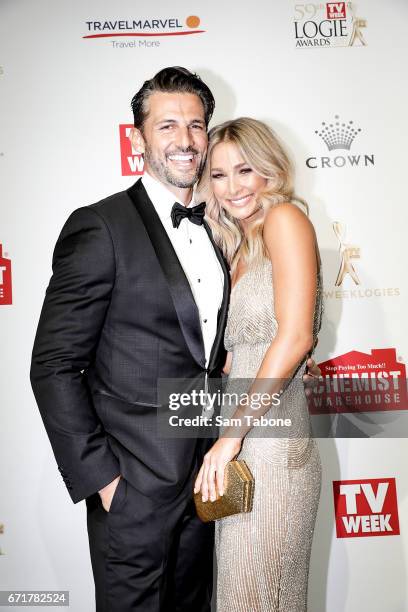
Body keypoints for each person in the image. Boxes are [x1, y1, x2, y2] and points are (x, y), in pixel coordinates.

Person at [30, 68, 320, 612]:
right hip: (136, 489)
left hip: (214, 486)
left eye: (195, 126)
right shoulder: (101, 227)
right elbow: (53, 365)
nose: (184, 140)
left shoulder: (224, 232)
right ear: (138, 138)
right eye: (167, 125)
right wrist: (106, 482)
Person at [194, 117, 323, 612]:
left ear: (269, 168)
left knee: (259, 598)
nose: (232, 188)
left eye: (244, 170)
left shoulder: (284, 220)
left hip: (267, 447)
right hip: (241, 444)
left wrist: (230, 441)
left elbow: (294, 335)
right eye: (220, 175)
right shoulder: (238, 243)